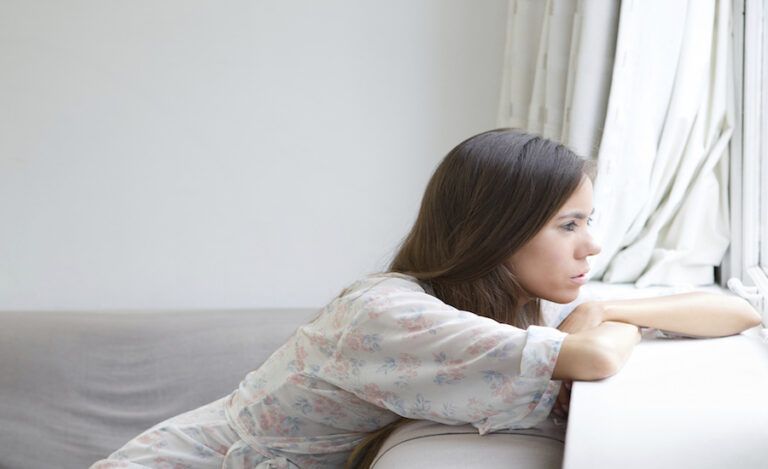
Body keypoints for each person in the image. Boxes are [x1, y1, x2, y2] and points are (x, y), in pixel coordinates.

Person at [90, 129, 761, 469]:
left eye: (587, 221)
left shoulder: (505, 301)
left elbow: (738, 311)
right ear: (495, 229)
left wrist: (608, 310)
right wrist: (595, 323)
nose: (592, 247)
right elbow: (593, 359)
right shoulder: (389, 312)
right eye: (568, 225)